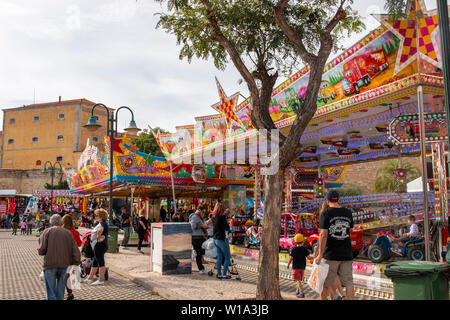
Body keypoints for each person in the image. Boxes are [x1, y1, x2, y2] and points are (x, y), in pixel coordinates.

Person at [314, 189, 355, 300]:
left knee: (326, 283)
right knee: (349, 283)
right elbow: (349, 231)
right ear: (338, 199)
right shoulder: (348, 212)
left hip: (330, 255)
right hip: (346, 254)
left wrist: (320, 254)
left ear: (327, 200)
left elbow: (323, 235)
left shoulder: (326, 213)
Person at [38, 214, 81, 300]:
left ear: (51, 222)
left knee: (51, 291)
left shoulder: (46, 232)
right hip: (64, 265)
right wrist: (76, 262)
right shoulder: (68, 233)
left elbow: (41, 250)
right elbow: (75, 249)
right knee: (61, 290)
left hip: (49, 264)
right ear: (61, 222)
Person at [83, 209, 108, 286]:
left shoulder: (103, 224)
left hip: (99, 245)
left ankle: (100, 280)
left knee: (100, 262)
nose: (95, 217)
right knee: (95, 261)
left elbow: (100, 230)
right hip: (98, 245)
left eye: (97, 215)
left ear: (101, 217)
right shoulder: (101, 223)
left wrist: (99, 235)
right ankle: (90, 278)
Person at [62, 214, 82, 300]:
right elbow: (79, 243)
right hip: (71, 256)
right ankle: (69, 292)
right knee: (67, 275)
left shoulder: (61, 231)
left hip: (61, 255)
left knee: (62, 274)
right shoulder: (75, 232)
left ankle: (62, 291)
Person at [287, 234, 312, 298]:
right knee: (300, 280)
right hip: (303, 267)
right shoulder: (305, 249)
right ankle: (297, 291)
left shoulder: (293, 249)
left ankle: (301, 292)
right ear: (303, 241)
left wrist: (288, 264)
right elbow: (309, 257)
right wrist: (315, 257)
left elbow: (291, 258)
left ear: (295, 242)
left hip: (296, 267)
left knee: (298, 280)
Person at [212, 202, 231, 280]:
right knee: (227, 257)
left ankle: (219, 274)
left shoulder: (213, 217)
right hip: (221, 239)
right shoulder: (222, 218)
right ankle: (224, 275)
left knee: (219, 257)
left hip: (215, 239)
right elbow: (227, 228)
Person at [189, 206, 209, 275]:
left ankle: (201, 268)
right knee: (199, 253)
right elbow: (192, 227)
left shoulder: (198, 217)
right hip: (196, 238)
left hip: (199, 237)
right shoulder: (194, 217)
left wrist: (204, 229)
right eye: (202, 212)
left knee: (200, 254)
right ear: (199, 210)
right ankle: (201, 268)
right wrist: (202, 226)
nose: (203, 213)